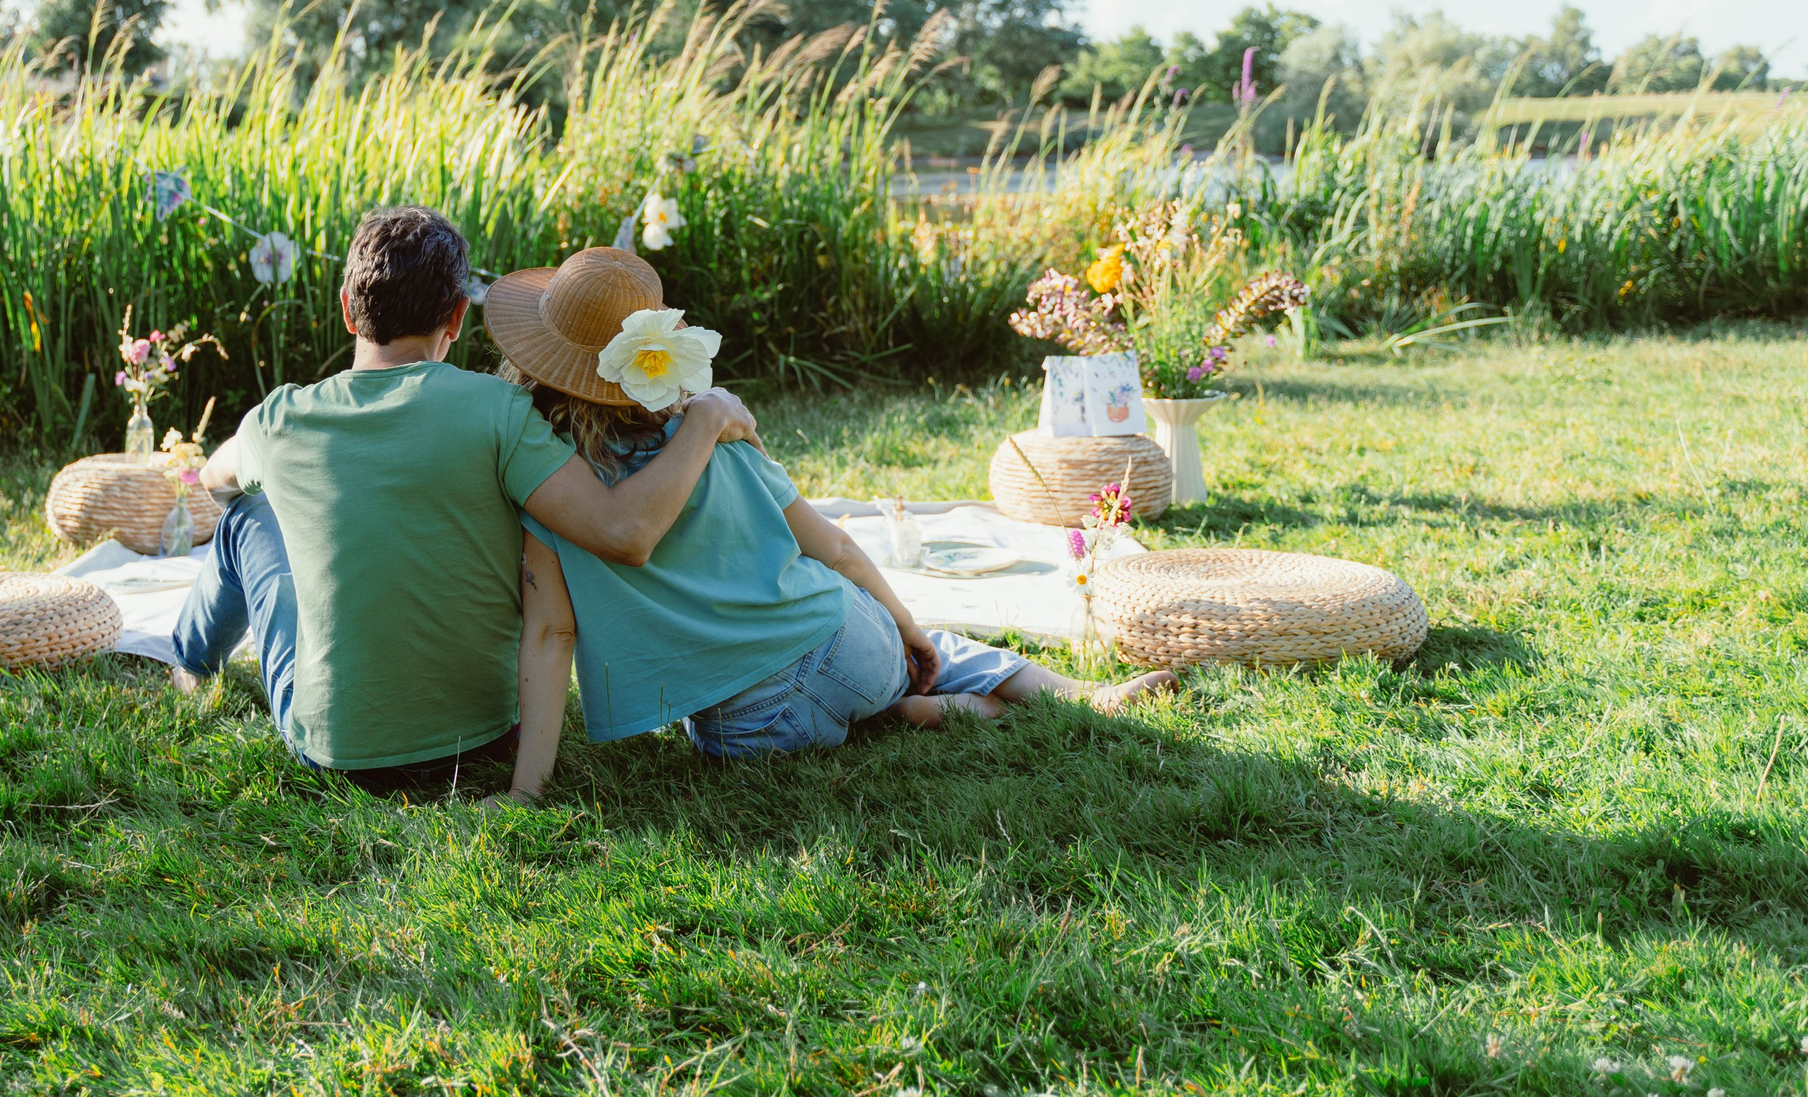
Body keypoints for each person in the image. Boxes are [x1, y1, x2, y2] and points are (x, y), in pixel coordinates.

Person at [481, 247, 1177, 804]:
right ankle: (1063, 694)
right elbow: (839, 549)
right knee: (930, 644)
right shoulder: (723, 443)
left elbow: (551, 633)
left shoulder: (555, 489)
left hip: (751, 726)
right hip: (848, 643)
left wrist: (525, 790)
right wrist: (902, 623)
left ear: (540, 361)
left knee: (742, 719)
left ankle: (920, 712)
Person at [173, 207, 763, 796]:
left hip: (338, 755)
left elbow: (214, 481)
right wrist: (703, 422)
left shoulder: (278, 420)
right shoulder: (499, 411)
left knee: (245, 516)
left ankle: (189, 667)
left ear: (349, 309)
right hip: (488, 738)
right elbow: (624, 530)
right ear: (457, 316)